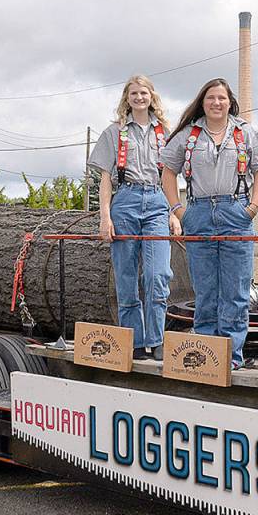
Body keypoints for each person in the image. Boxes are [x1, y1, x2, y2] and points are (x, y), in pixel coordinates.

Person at [162, 78, 258, 370]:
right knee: (206, 289)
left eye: (221, 98)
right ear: (202, 101)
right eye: (211, 98)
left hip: (236, 211)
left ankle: (232, 357)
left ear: (230, 101)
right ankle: (207, 354)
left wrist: (253, 208)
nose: (216, 103)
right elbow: (167, 173)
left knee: (235, 289)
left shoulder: (245, 132)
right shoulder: (188, 134)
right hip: (198, 213)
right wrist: (178, 209)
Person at [87, 75, 174, 361]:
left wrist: (175, 211)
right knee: (126, 275)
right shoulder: (114, 132)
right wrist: (104, 217)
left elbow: (172, 177)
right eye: (134, 93)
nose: (139, 97)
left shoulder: (166, 132)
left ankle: (157, 338)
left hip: (157, 201)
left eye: (144, 92)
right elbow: (104, 179)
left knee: (157, 273)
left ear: (152, 96)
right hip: (125, 199)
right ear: (127, 97)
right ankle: (134, 341)